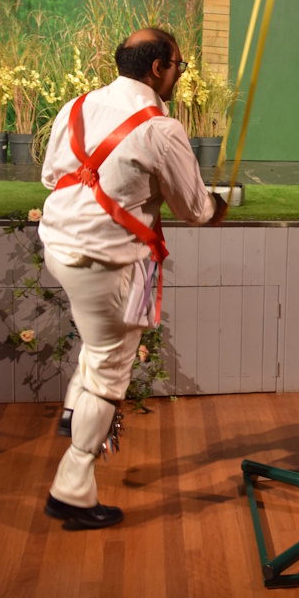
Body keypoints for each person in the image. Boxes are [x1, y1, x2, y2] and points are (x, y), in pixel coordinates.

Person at [38, 28, 227, 529]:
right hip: (105, 264)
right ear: (159, 67)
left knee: (98, 340)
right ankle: (72, 488)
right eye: (179, 66)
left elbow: (52, 177)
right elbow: (194, 210)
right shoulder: (162, 129)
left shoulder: (77, 107)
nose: (179, 76)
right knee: (110, 370)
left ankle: (74, 410)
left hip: (57, 247)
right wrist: (217, 207)